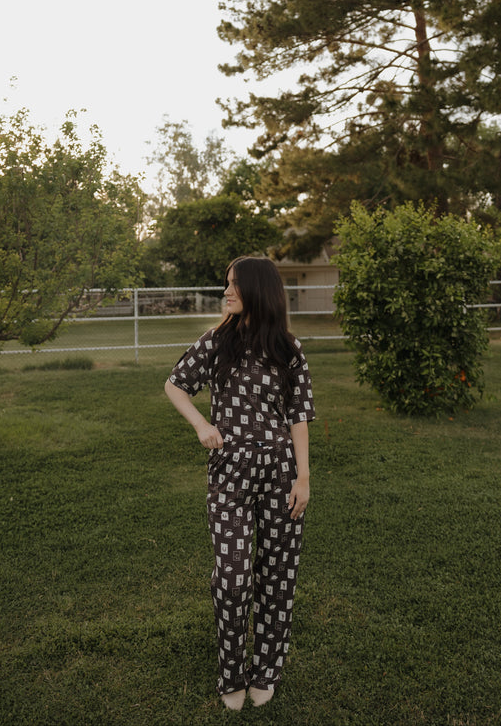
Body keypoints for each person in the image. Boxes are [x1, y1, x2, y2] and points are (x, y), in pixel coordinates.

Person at [164, 256, 315, 711]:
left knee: (277, 577)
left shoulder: (289, 348)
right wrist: (200, 425)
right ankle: (232, 672)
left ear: (256, 290)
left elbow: (299, 416)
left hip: (281, 475)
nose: (226, 292)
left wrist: (303, 478)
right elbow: (175, 385)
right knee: (231, 578)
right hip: (229, 474)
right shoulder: (216, 341)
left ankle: (266, 669)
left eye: (233, 285)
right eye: (225, 284)